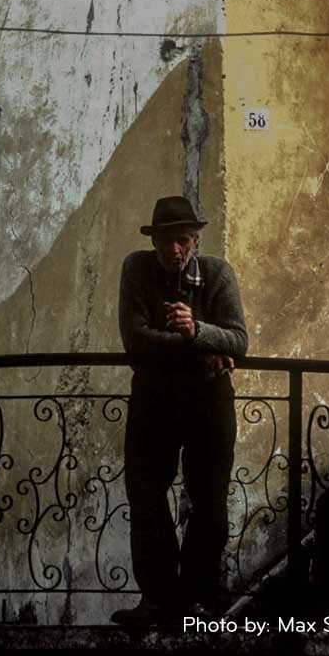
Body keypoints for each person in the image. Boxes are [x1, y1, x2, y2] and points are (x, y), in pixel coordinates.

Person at [112, 196, 248, 627]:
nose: (176, 250)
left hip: (208, 402)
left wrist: (198, 330)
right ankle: (157, 601)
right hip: (154, 400)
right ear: (155, 240)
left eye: (184, 240)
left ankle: (196, 602)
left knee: (209, 501)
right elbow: (135, 340)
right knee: (146, 496)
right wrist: (197, 345)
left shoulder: (216, 273)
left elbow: (239, 340)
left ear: (195, 240)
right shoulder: (136, 268)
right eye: (169, 240)